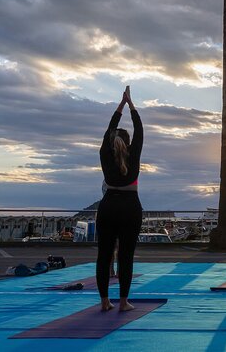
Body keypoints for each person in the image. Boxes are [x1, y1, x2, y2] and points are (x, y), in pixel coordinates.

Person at [97, 86, 143, 312]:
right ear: (128, 143)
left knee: (104, 255)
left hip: (108, 207)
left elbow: (109, 131)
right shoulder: (134, 155)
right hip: (130, 207)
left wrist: (121, 106)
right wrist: (131, 104)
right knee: (126, 256)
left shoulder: (105, 154)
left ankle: (105, 301)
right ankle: (124, 302)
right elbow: (140, 129)